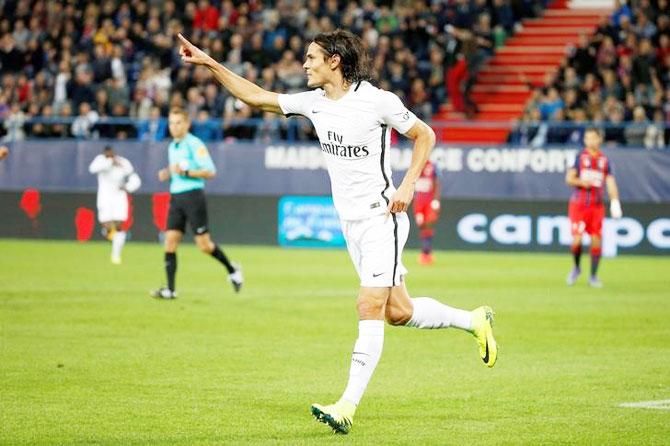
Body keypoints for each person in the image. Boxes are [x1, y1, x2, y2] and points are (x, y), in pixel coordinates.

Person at [177, 29, 497, 435]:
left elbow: (425, 135)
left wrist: (409, 183)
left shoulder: (377, 101)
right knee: (399, 312)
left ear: (334, 61)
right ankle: (474, 320)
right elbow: (255, 97)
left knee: (368, 306)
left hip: (382, 218)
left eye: (312, 57)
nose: (305, 64)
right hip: (352, 225)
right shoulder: (314, 103)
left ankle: (346, 405)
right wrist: (209, 62)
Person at [151, 107, 243, 299]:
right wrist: (167, 173)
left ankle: (232, 269)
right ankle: (170, 289)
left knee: (204, 245)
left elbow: (210, 171)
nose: (174, 127)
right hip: (176, 197)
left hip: (193, 196)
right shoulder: (172, 146)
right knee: (170, 242)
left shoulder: (194, 144)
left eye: (178, 123)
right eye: (171, 123)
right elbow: (175, 168)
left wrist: (185, 172)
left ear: (187, 124)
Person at [565, 127, 622, 288]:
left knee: (596, 240)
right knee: (577, 240)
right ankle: (576, 268)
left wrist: (615, 202)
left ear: (599, 140)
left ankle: (593, 276)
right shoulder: (579, 158)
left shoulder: (605, 161)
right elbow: (569, 179)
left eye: (593, 138)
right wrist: (582, 182)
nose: (590, 141)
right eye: (587, 138)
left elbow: (610, 183)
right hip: (579, 205)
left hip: (596, 207)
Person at [88, 145, 141, 264]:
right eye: (107, 153)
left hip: (119, 196)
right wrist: (109, 163)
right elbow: (92, 169)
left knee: (119, 225)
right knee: (107, 225)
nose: (109, 155)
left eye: (111, 153)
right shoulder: (100, 160)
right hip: (104, 196)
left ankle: (116, 255)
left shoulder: (123, 162)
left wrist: (128, 187)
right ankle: (107, 233)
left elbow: (133, 177)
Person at [413, 159, 441, 265]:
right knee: (422, 225)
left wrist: (436, 200)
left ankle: (426, 253)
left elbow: (437, 182)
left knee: (429, 223)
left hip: (429, 200)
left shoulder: (432, 166)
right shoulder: (415, 164)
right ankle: (426, 252)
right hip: (419, 201)